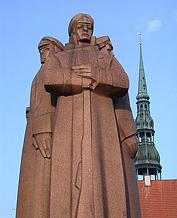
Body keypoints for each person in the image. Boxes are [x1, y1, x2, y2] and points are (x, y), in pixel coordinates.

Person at [44, 14, 141, 217]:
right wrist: (79, 81)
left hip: (101, 126)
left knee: (102, 178)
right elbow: (50, 78)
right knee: (68, 181)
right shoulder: (60, 58)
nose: (85, 30)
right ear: (72, 32)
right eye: (80, 27)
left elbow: (123, 81)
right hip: (68, 126)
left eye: (88, 27)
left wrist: (96, 74)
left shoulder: (106, 60)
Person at [16, 37, 64, 218]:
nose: (42, 53)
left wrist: (43, 127)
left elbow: (47, 103)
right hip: (36, 131)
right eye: (40, 50)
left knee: (42, 180)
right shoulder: (43, 71)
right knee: (35, 182)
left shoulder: (51, 69)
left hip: (45, 132)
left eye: (45, 49)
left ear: (56, 51)